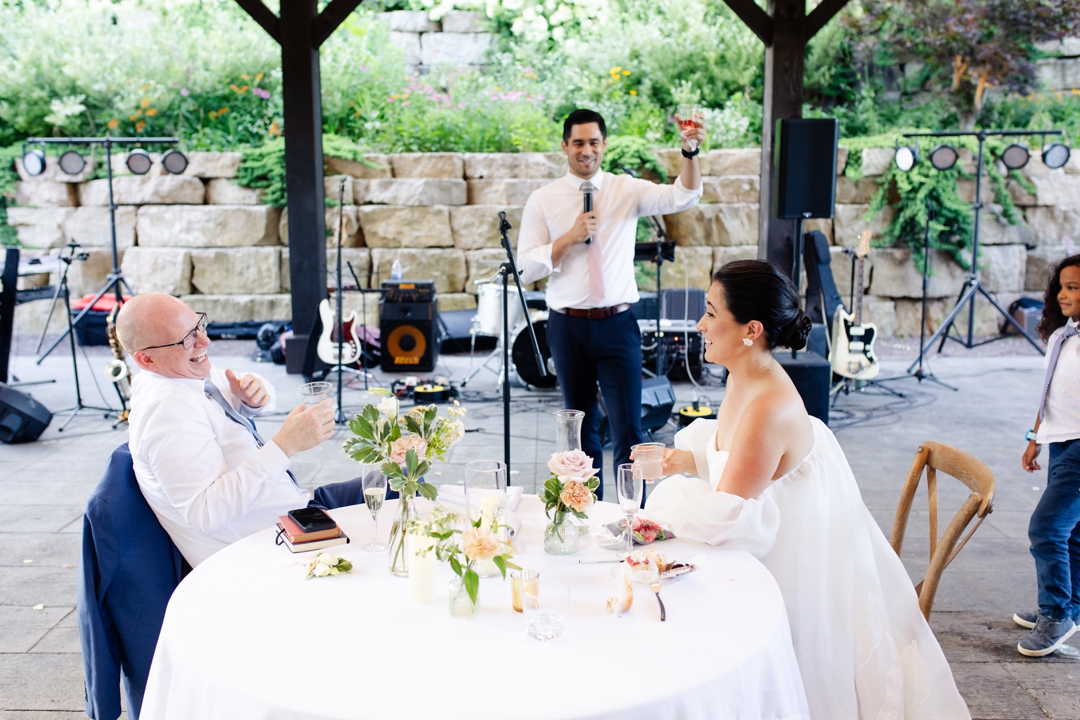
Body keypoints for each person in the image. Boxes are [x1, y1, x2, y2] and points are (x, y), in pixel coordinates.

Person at [641, 261, 970, 719]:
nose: (700, 324)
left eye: (712, 313)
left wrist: (652, 524)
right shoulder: (745, 373)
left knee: (674, 602)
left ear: (750, 330)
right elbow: (742, 461)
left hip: (791, 564)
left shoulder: (769, 405)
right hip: (784, 535)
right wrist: (688, 459)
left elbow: (732, 520)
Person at [517, 108, 705, 497]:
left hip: (618, 325)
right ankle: (587, 514)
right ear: (565, 146)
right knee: (581, 432)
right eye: (579, 143)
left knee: (630, 431)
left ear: (604, 145)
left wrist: (689, 153)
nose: (587, 151)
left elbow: (683, 195)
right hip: (567, 327)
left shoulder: (627, 189)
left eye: (594, 142)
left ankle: (632, 518)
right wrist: (568, 237)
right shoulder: (544, 199)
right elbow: (524, 266)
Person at [116, 293, 362, 567]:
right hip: (274, 550)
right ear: (146, 360)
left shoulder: (181, 372)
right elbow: (207, 511)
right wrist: (286, 445)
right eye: (186, 339)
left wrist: (255, 395)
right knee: (402, 495)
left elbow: (241, 389)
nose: (204, 341)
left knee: (401, 481)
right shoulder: (167, 412)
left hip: (298, 515)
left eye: (199, 326)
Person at [1017, 254, 1080, 656]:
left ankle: (1055, 613)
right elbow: (1052, 391)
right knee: (1071, 534)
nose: (1063, 294)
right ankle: (1070, 607)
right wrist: (1035, 435)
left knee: (1047, 529)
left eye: (1073, 287)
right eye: (1061, 286)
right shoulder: (1065, 334)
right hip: (1061, 441)